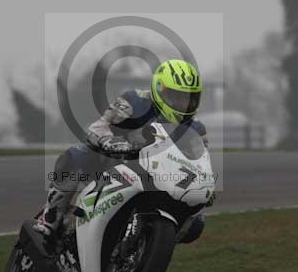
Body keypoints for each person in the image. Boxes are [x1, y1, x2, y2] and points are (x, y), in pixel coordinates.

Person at [35, 59, 208, 238]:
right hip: (116, 164)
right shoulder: (135, 101)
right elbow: (98, 127)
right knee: (77, 155)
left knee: (196, 223)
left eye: (188, 98)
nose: (182, 103)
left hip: (161, 180)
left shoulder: (197, 129)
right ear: (159, 89)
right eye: (176, 96)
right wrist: (111, 142)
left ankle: (151, 241)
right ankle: (50, 217)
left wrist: (204, 186)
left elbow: (200, 163)